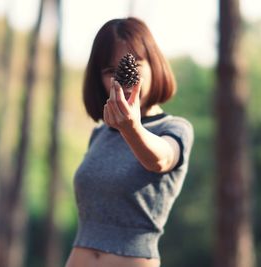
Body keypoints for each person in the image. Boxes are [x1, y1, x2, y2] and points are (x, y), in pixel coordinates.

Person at [65, 17, 194, 267]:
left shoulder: (174, 128)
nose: (123, 79)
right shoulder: (99, 135)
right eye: (111, 71)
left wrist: (132, 128)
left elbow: (160, 159)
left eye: (132, 65)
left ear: (154, 65)